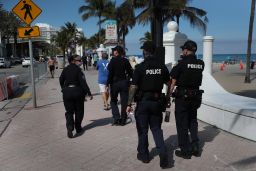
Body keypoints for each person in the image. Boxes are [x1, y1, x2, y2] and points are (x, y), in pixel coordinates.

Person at [126, 41, 171, 168]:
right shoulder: (162, 67)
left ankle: (144, 155)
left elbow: (133, 86)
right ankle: (162, 152)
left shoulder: (140, 67)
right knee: (156, 129)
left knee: (143, 130)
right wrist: (167, 98)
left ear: (145, 52)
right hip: (157, 102)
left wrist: (129, 103)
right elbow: (169, 84)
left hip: (143, 103)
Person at [169, 40, 204, 159]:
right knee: (193, 121)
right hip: (195, 97)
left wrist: (168, 95)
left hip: (183, 97)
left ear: (186, 50)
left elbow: (173, 80)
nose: (182, 51)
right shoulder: (201, 63)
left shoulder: (181, 64)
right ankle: (195, 146)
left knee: (182, 123)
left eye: (183, 49)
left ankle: (185, 150)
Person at [59, 55, 93, 138]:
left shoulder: (65, 69)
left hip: (67, 93)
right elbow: (83, 83)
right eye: (79, 60)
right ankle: (78, 128)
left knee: (69, 112)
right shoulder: (79, 70)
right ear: (73, 61)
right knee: (79, 110)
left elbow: (61, 79)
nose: (80, 61)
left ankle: (70, 127)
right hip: (78, 92)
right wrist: (89, 93)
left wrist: (63, 88)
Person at [106, 45, 133, 126]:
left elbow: (110, 74)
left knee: (113, 101)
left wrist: (107, 84)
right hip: (124, 83)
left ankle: (117, 118)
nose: (113, 52)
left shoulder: (112, 61)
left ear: (116, 52)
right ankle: (123, 120)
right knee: (124, 102)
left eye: (114, 51)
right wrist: (133, 81)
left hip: (114, 83)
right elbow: (130, 73)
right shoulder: (125, 60)